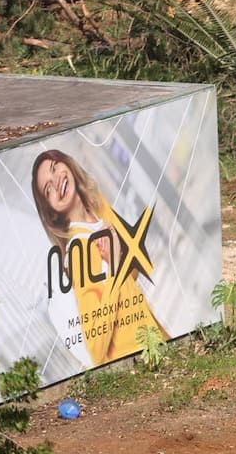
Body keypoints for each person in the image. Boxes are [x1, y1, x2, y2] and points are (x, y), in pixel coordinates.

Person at [31, 149, 166, 366]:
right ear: (52, 212)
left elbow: (132, 272)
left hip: (154, 335)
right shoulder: (78, 252)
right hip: (134, 358)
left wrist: (121, 261)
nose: (56, 181)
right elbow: (96, 346)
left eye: (55, 168)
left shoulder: (98, 206)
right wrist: (113, 267)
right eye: (48, 189)